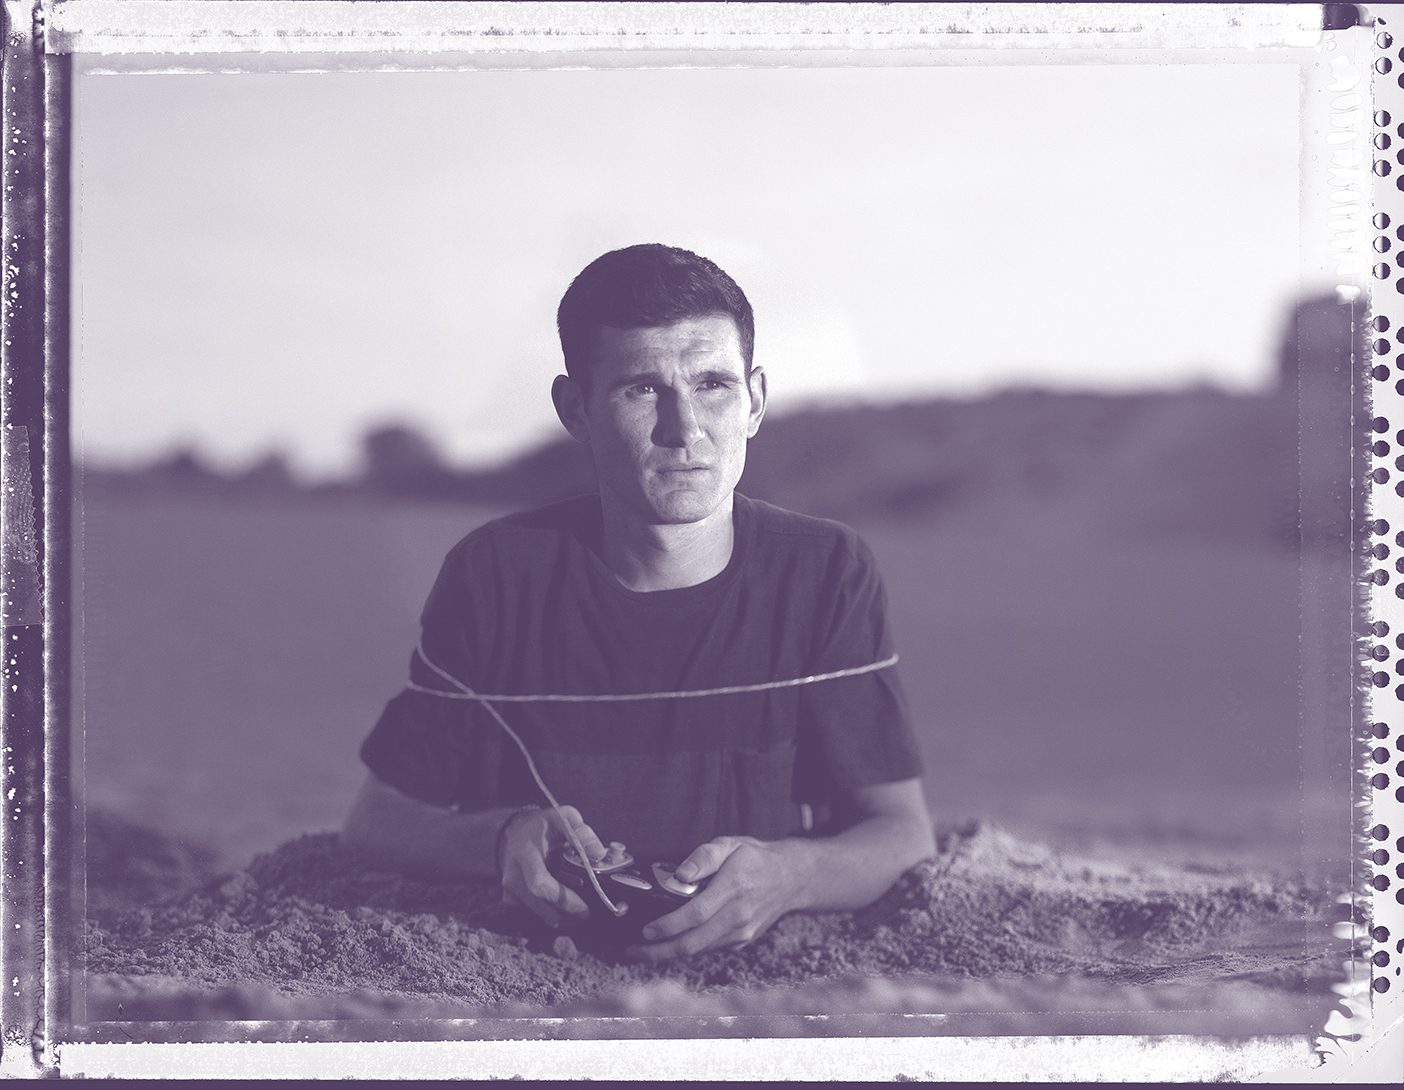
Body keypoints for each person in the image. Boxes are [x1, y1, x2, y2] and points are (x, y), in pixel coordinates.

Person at [343, 243, 934, 960]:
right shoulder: (497, 575)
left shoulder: (823, 571)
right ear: (576, 410)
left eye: (713, 384)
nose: (684, 430)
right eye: (641, 390)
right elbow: (379, 819)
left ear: (756, 401)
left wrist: (789, 875)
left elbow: (901, 832)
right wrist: (502, 840)